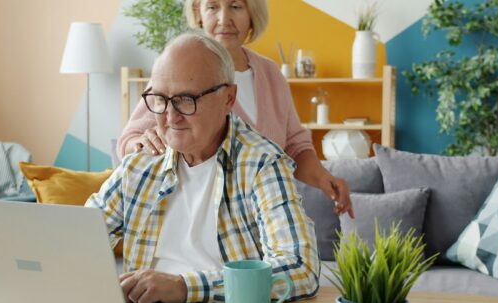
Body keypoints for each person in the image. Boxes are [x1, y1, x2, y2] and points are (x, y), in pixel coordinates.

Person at [53, 31, 318, 303]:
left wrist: (183, 287)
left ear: (228, 97)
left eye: (186, 100)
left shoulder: (262, 163)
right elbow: (75, 237)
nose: (170, 116)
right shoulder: (141, 165)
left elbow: (300, 268)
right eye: (160, 100)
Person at [117, 0, 354, 219]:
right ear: (199, 14)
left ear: (252, 14)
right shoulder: (178, 70)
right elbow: (130, 140)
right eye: (212, 7)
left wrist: (324, 178)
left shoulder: (271, 74)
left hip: (268, 221)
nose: (224, 18)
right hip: (202, 224)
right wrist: (142, 145)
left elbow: (295, 146)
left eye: (236, 6)